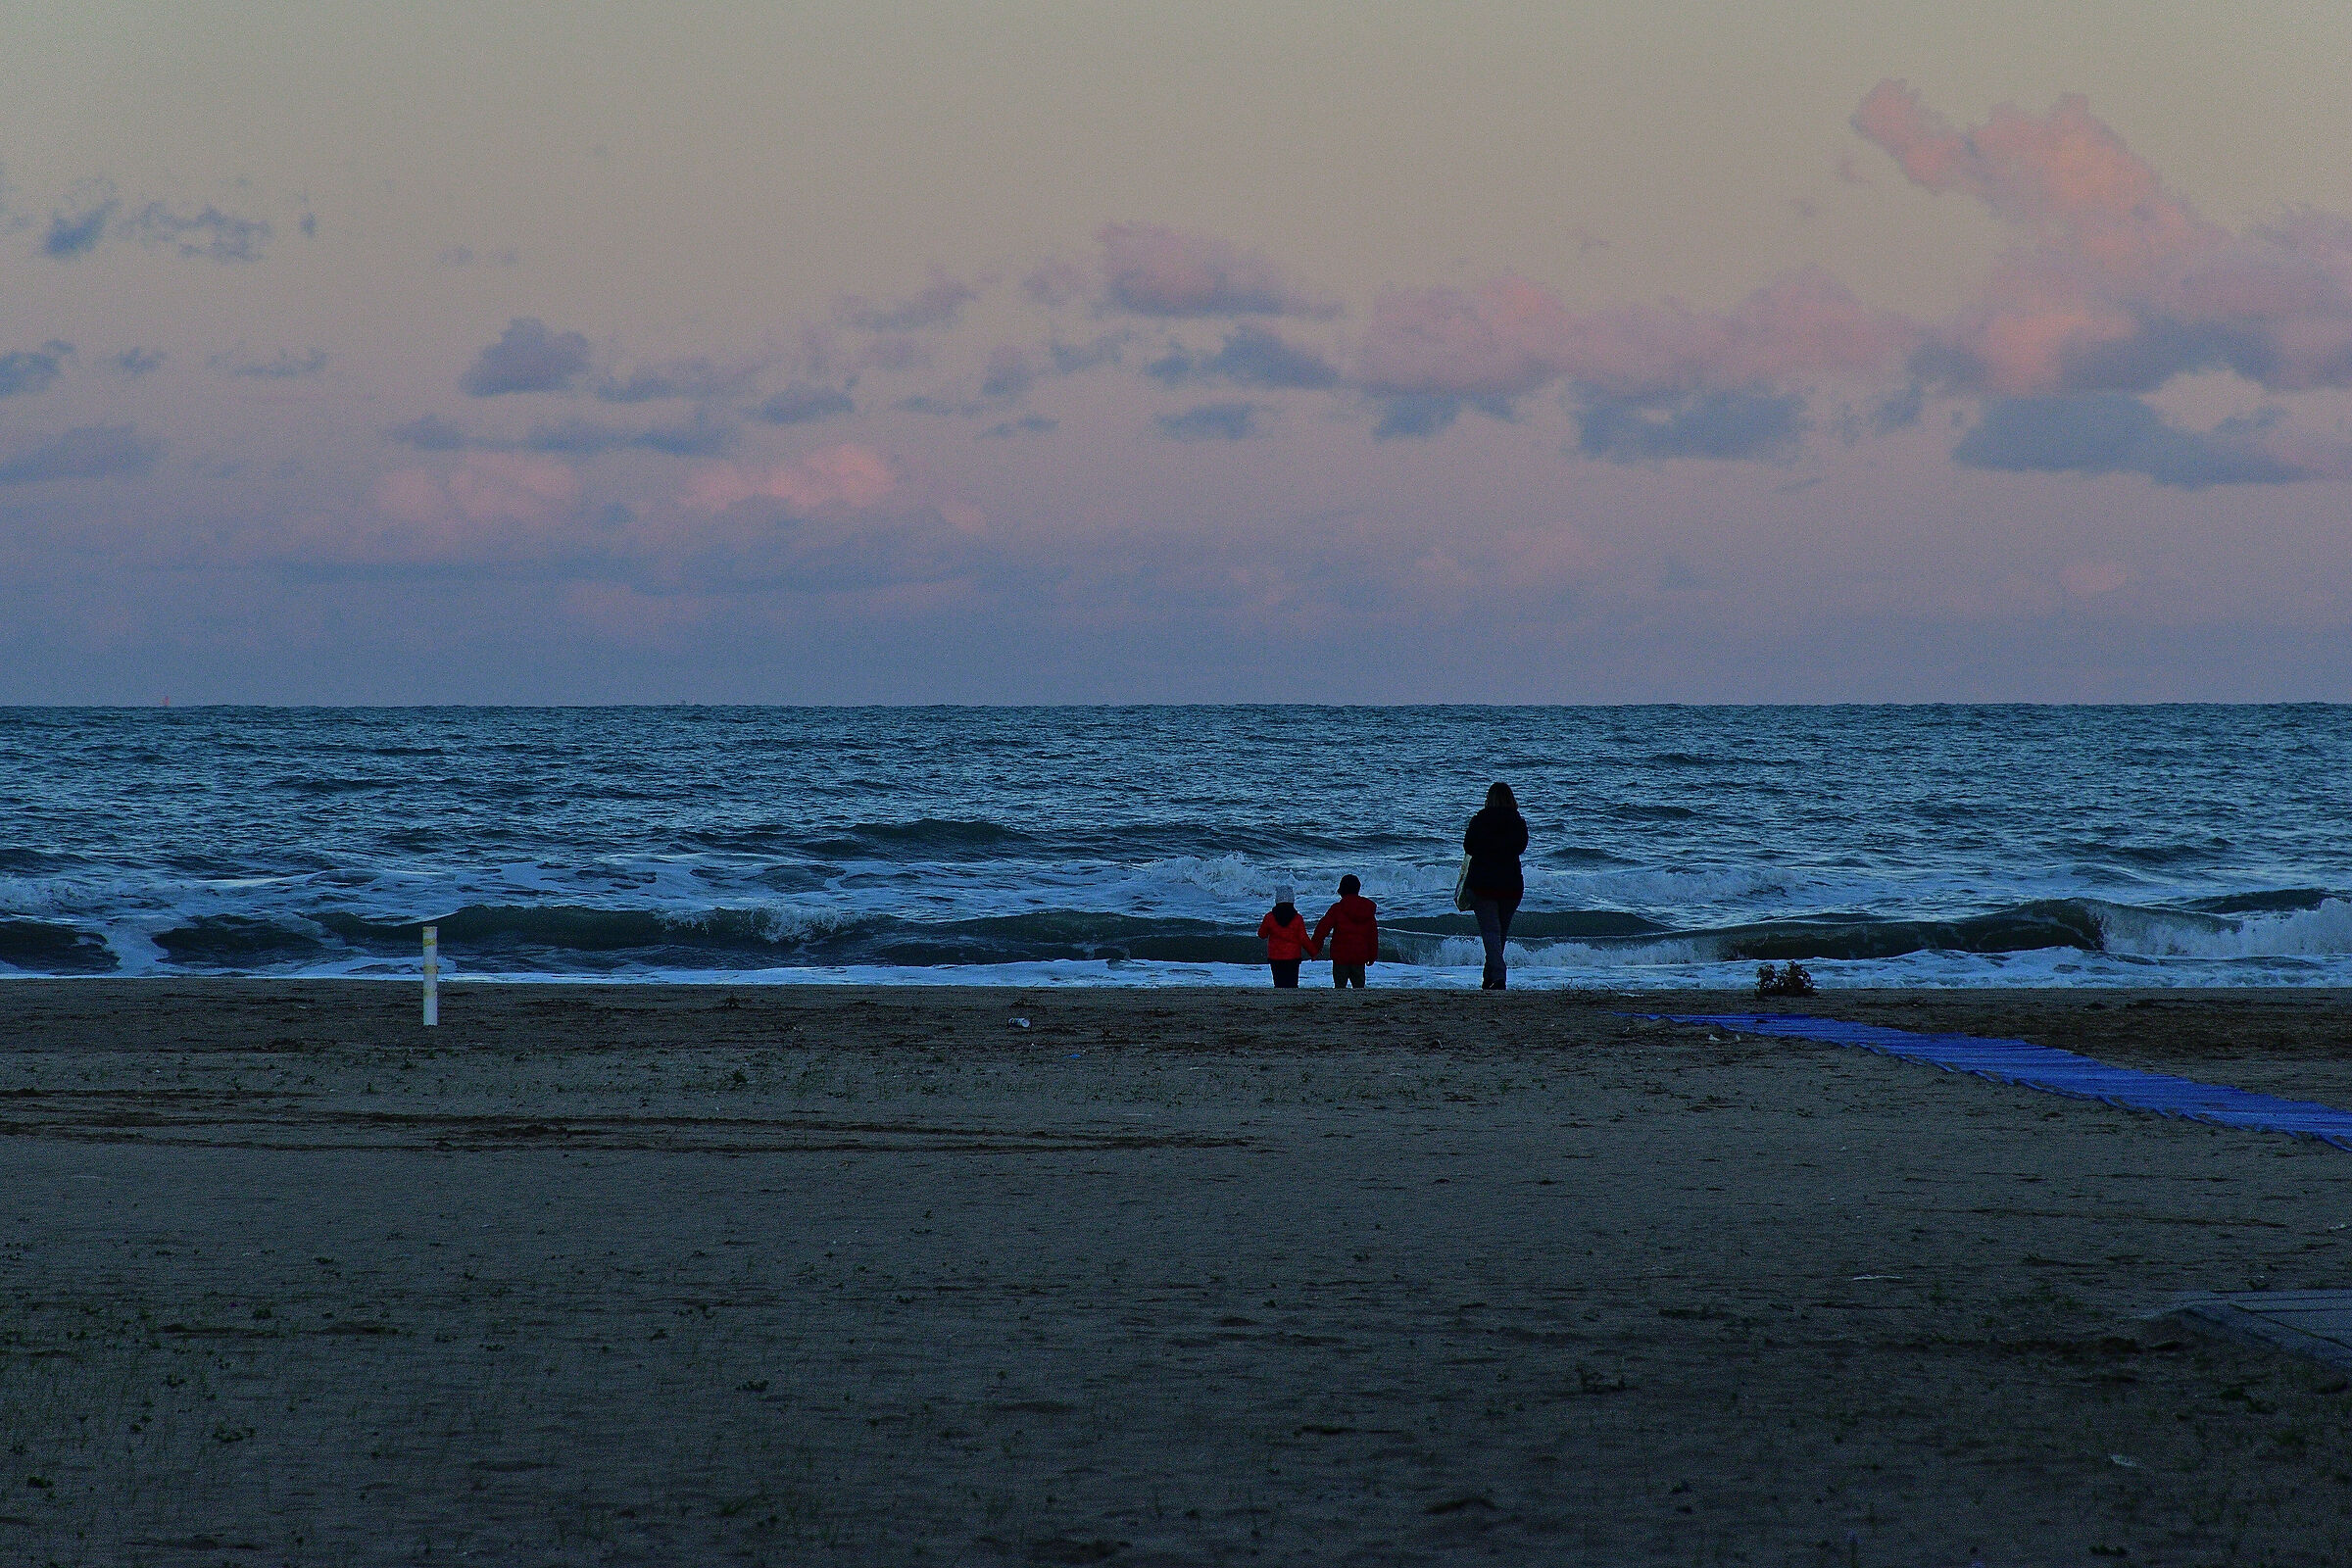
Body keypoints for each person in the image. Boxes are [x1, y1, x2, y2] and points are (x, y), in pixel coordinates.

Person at [1462, 781, 1528, 990]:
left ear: (1489, 799)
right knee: (1499, 935)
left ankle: (1498, 975)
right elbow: (1521, 847)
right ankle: (1489, 976)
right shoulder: (1517, 822)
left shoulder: (1479, 820)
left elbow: (1468, 847)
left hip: (1484, 884)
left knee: (1490, 933)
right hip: (1511, 885)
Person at [1312, 874, 1379, 989]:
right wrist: (1372, 955)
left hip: (1340, 956)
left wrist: (1315, 948)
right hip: (1359, 957)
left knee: (1339, 988)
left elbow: (1321, 930)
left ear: (1341, 890)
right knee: (1359, 988)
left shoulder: (1337, 908)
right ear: (1358, 889)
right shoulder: (1366, 910)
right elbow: (1372, 936)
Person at [1256, 885, 1318, 988]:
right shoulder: (1298, 918)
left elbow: (1261, 934)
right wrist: (1313, 953)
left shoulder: (1269, 917)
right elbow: (1304, 938)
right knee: (1292, 984)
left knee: (1278, 984)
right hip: (1293, 958)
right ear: (1292, 901)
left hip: (1275, 958)